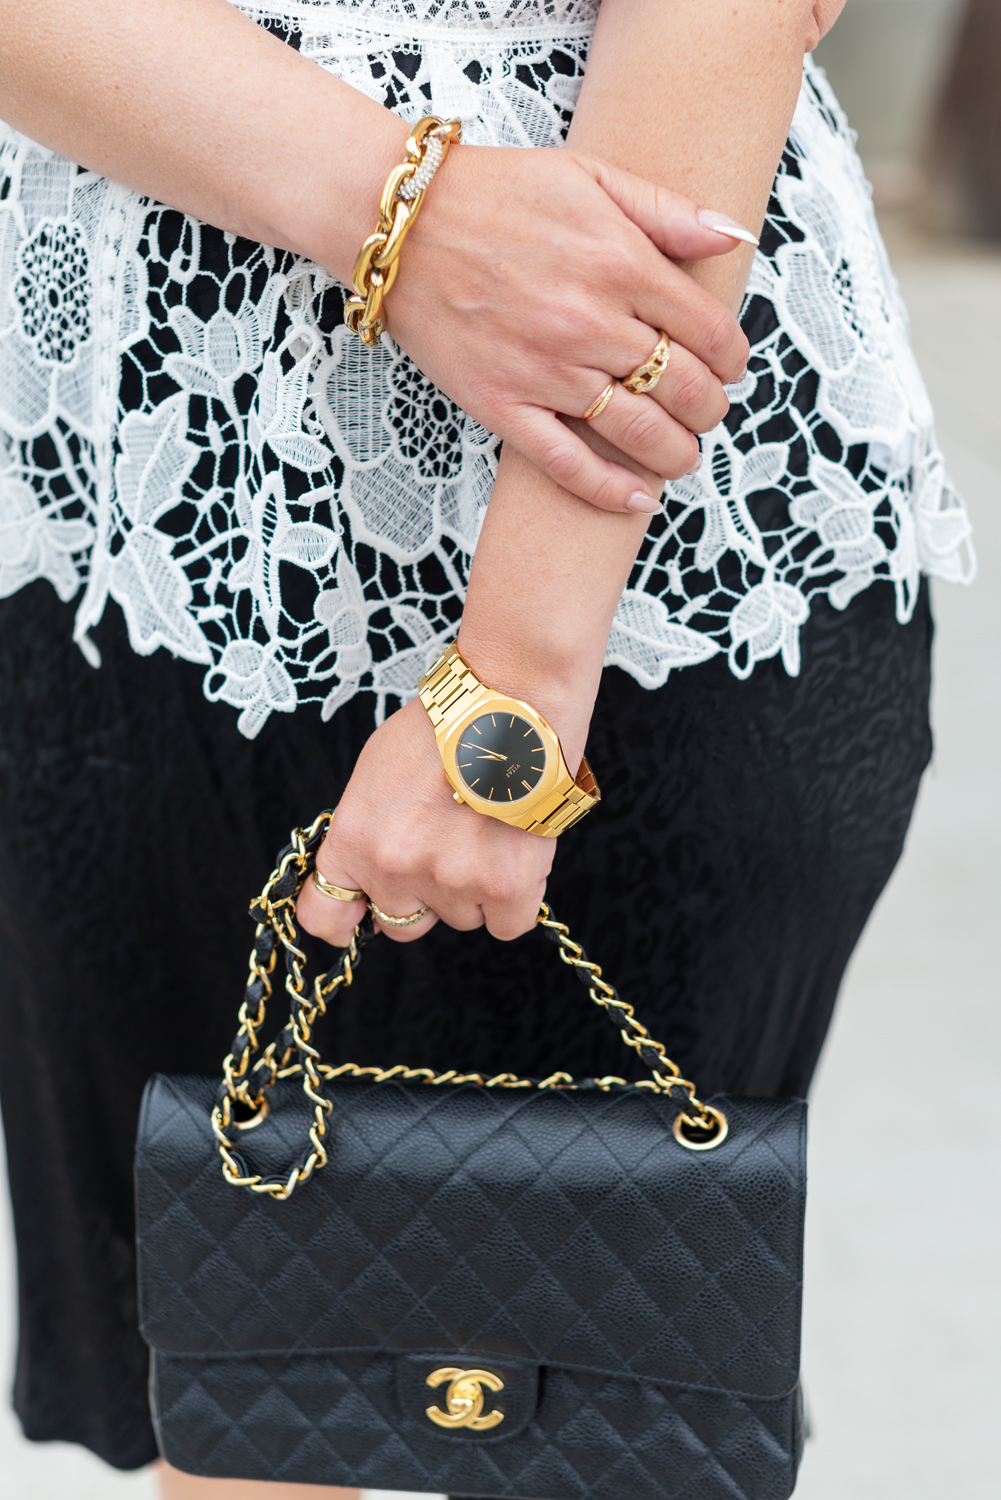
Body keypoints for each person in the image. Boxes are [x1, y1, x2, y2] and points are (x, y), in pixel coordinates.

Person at [0, 1, 973, 1496]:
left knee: (616, 1409)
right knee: (250, 1405)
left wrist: (512, 676)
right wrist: (414, 211)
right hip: (146, 490)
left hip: (651, 533)